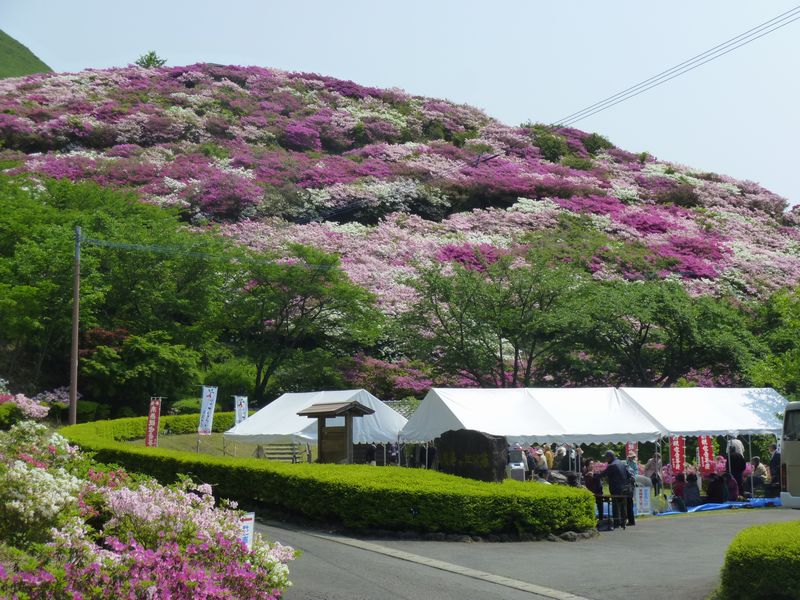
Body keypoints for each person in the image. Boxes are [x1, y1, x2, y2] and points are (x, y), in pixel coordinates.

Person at [597, 450, 631, 528]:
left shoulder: (612, 465)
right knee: (623, 505)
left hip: (616, 488)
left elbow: (603, 474)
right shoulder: (621, 463)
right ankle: (623, 521)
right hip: (624, 488)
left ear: (610, 457)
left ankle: (616, 523)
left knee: (615, 505)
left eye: (606, 458)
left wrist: (594, 475)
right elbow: (628, 474)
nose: (606, 460)